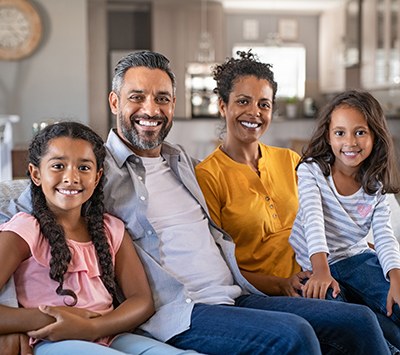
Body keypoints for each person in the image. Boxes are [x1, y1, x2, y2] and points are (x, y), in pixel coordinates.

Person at [0, 51, 392, 355]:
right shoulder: (94, 169)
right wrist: (15, 320)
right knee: (293, 336)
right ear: (115, 102)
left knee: (357, 321)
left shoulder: (180, 160)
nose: (151, 110)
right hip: (180, 311)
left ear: (173, 105)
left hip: (236, 294)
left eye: (163, 99)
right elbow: (18, 213)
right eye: (137, 97)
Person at [0, 122, 195, 355]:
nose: (71, 177)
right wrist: (45, 318)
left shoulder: (111, 229)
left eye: (84, 168)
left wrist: (91, 327)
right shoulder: (24, 230)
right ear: (36, 173)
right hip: (53, 341)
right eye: (58, 166)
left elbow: (141, 300)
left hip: (108, 336)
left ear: (97, 176)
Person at [195, 50, 308, 297]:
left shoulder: (290, 160)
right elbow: (218, 265)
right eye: (243, 101)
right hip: (263, 296)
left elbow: (322, 222)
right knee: (360, 321)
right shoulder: (208, 176)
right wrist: (282, 284)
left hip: (316, 280)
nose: (254, 112)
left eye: (263, 104)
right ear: (223, 106)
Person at [289, 90, 400, 339]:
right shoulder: (312, 171)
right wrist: (320, 271)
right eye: (340, 133)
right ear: (328, 136)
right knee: (349, 318)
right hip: (316, 264)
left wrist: (396, 277)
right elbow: (313, 220)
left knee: (396, 300)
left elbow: (383, 233)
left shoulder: (376, 183)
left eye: (360, 132)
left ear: (375, 136)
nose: (350, 142)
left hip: (357, 258)